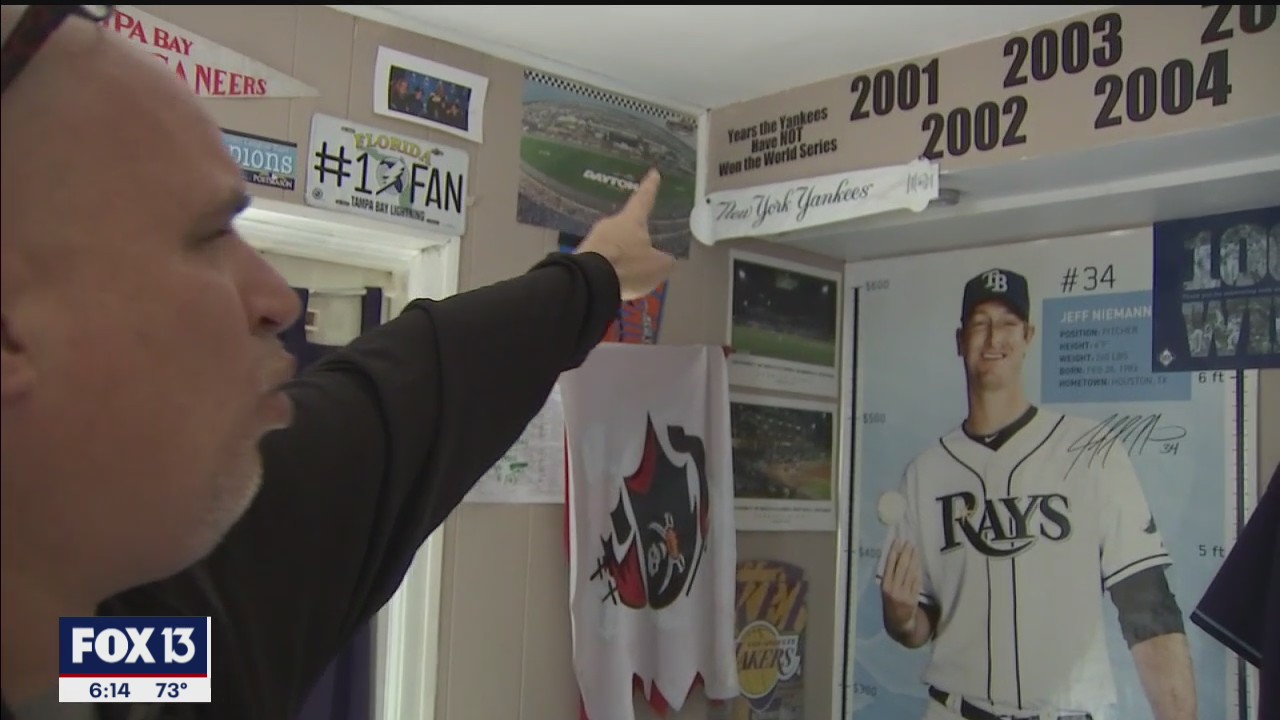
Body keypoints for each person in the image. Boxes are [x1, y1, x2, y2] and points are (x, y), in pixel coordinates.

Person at [0, 5, 675, 719]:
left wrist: (597, 272)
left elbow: (417, 391)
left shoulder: (136, 652)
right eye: (205, 237)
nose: (274, 300)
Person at [876, 268, 1197, 720]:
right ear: (959, 339)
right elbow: (917, 624)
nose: (993, 338)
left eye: (1007, 322)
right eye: (980, 323)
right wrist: (902, 616)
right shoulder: (925, 473)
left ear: (1028, 336)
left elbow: (1148, 605)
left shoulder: (1091, 450)